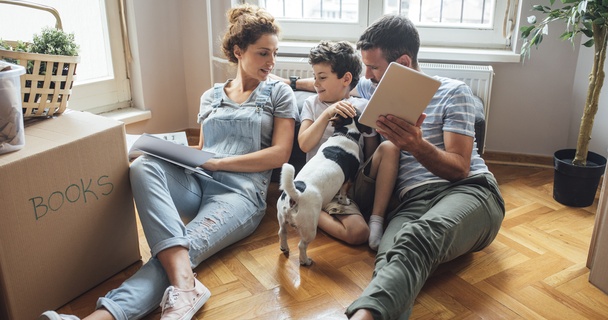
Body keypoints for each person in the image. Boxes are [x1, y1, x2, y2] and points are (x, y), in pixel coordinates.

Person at [39, 4, 298, 320]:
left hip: (240, 195)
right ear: (238, 51)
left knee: (180, 250)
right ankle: (186, 286)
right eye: (263, 54)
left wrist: (220, 163)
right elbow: (202, 148)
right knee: (142, 165)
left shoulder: (279, 92)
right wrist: (177, 154)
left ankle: (103, 316)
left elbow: (280, 154)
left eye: (274, 53)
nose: (271, 62)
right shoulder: (211, 96)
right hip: (198, 182)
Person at [340, 15, 506, 320]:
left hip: (469, 191)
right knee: (388, 259)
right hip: (410, 202)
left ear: (402, 62)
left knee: (417, 237)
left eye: (373, 67)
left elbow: (459, 169)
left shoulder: (454, 92)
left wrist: (416, 144)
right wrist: (289, 83)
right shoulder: (373, 88)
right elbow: (334, 84)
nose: (367, 75)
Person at [297, 40, 400, 250]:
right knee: (358, 233)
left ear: (346, 79)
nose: (316, 83)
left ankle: (377, 219)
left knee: (390, 148)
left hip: (354, 182)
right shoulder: (312, 105)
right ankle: (305, 207)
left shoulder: (362, 106)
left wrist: (369, 129)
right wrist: (327, 113)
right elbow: (304, 144)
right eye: (315, 76)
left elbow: (370, 154)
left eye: (322, 77)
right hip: (326, 185)